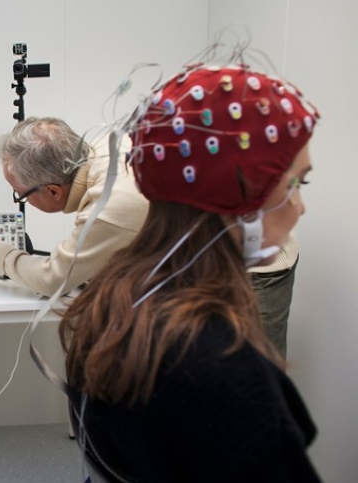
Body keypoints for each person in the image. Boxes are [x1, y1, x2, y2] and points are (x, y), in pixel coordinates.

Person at [59, 60, 321, 482]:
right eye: (294, 185)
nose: (300, 208)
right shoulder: (222, 368)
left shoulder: (112, 304)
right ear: (241, 197)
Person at [0, 117, 149, 297]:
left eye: (20, 194)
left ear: (53, 192)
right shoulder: (111, 143)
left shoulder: (109, 203)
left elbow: (54, 280)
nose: (22, 200)